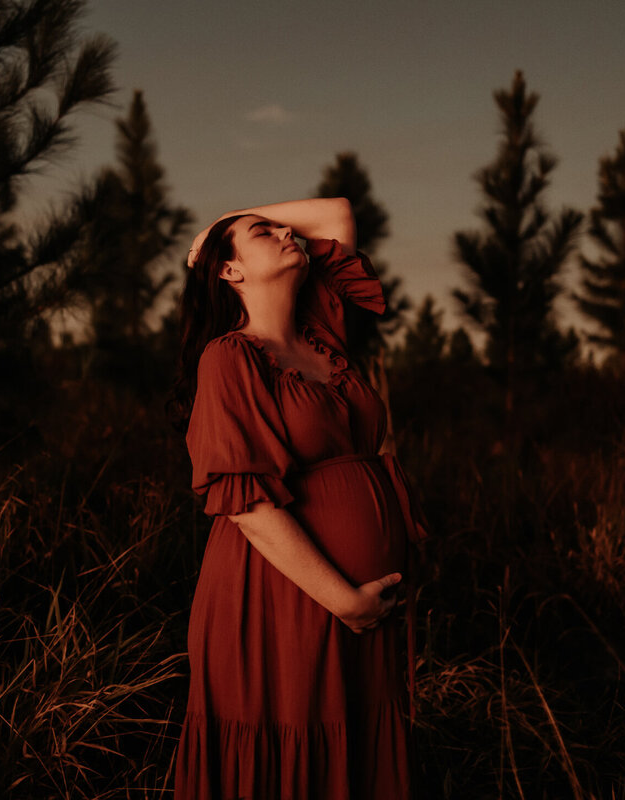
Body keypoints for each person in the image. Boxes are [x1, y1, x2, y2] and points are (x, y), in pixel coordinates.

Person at [171, 197, 429, 799]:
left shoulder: (322, 336)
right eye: (264, 232)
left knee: (351, 759)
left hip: (355, 605)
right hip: (279, 597)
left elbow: (336, 214)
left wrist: (216, 228)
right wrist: (344, 600)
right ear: (228, 273)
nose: (288, 230)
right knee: (285, 758)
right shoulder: (229, 357)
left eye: (284, 227)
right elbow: (248, 506)